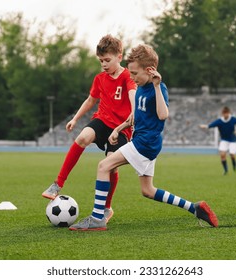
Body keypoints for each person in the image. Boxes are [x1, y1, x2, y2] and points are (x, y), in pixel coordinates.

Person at [69, 44, 218, 231]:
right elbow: (135, 117)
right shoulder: (139, 86)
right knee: (148, 191)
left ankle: (97, 218)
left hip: (145, 143)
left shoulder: (158, 88)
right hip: (144, 142)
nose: (131, 78)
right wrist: (119, 128)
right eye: (130, 73)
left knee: (103, 166)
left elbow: (163, 115)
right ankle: (195, 208)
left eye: (134, 73)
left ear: (149, 71)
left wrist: (156, 86)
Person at [42, 35, 137, 223]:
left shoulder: (127, 76)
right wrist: (75, 119)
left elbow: (133, 93)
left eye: (107, 60)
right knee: (82, 138)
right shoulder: (100, 78)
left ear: (119, 56)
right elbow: (91, 100)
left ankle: (106, 209)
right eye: (101, 61)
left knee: (110, 166)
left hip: (121, 128)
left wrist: (134, 115)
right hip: (102, 120)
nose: (103, 64)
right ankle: (57, 184)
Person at [200, 107, 236, 175]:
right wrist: (204, 126)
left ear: (229, 113)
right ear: (222, 114)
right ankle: (225, 170)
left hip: (233, 140)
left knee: (232, 155)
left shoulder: (233, 119)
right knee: (222, 155)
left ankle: (234, 166)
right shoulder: (219, 121)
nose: (225, 115)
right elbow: (210, 125)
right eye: (224, 113)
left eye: (227, 113)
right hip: (224, 140)